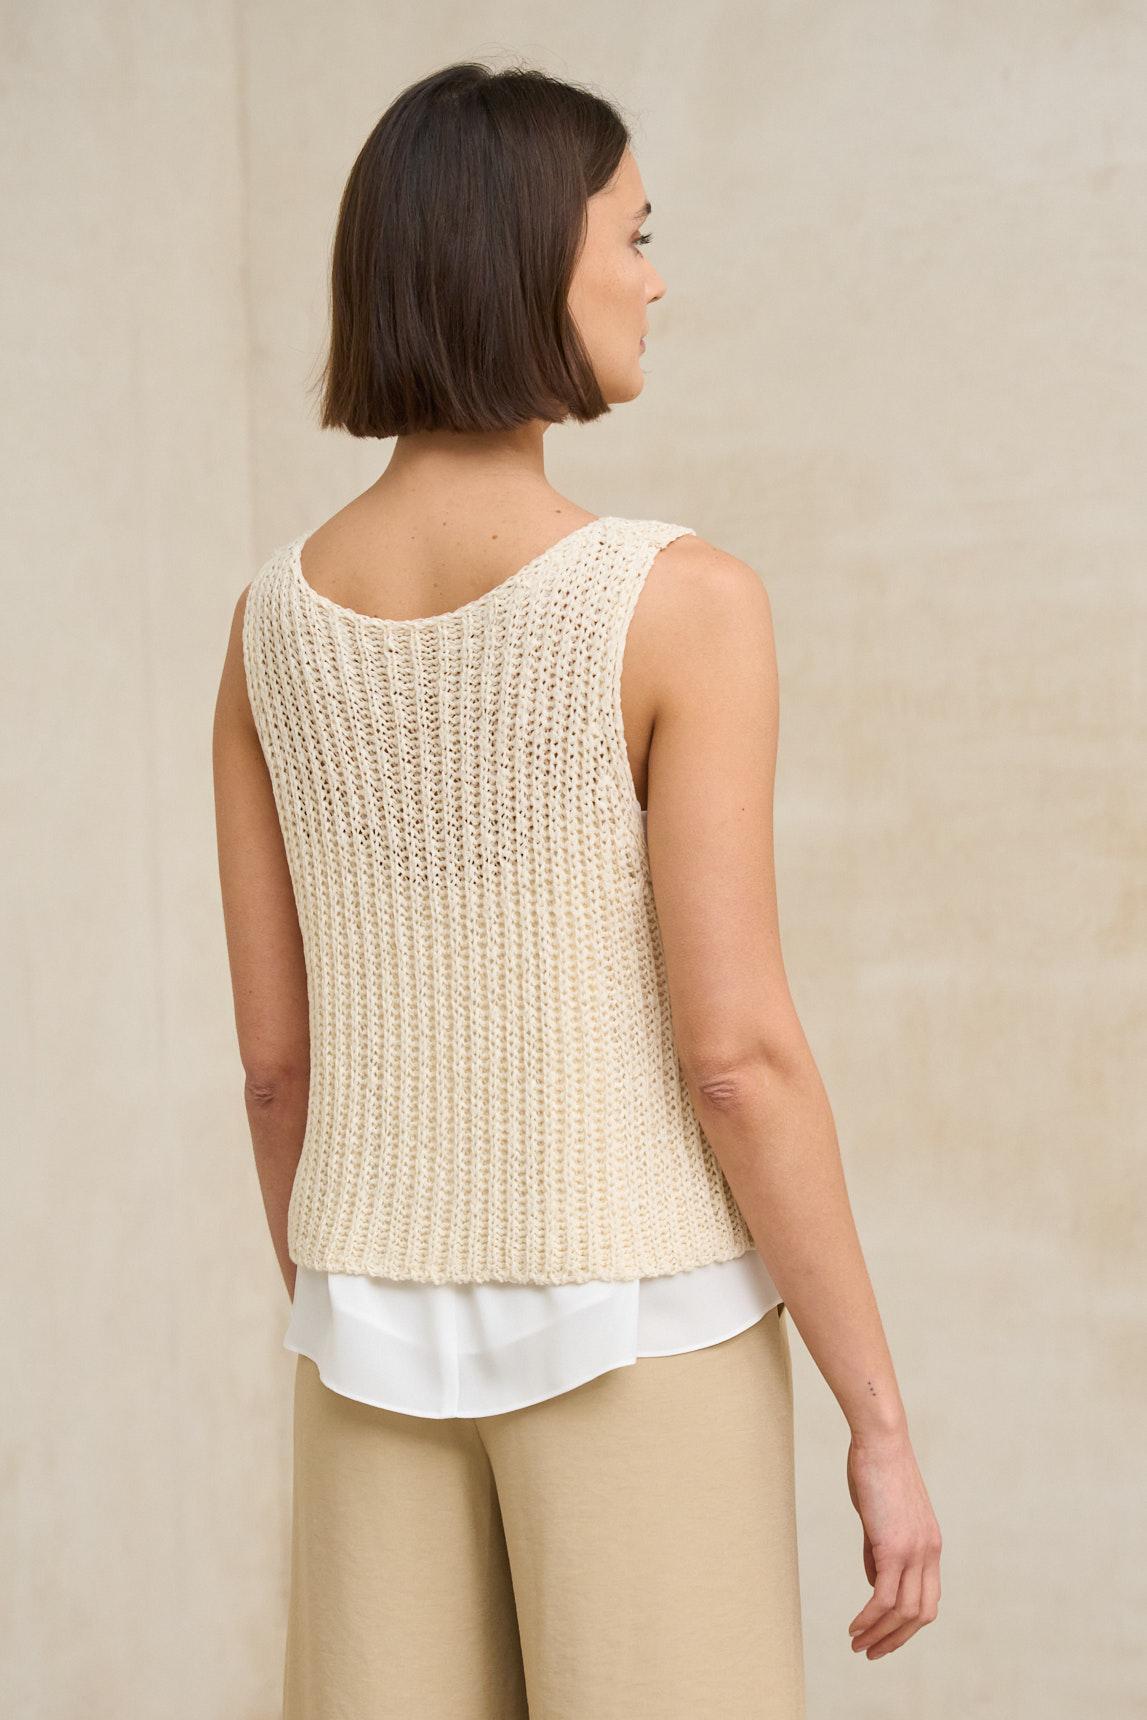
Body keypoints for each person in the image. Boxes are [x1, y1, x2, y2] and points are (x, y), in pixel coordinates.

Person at [212, 59, 941, 1720]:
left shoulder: (268, 632)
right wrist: (879, 1419)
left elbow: (274, 1071)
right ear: (531, 258)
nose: (654, 279)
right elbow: (735, 1058)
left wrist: (361, 1297)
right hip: (643, 1327)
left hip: (363, 1335)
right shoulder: (679, 603)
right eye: (636, 233)